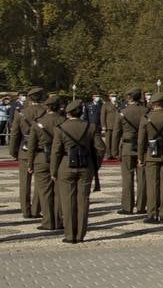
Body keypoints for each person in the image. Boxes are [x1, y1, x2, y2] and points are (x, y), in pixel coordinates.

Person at [52, 98, 104, 244]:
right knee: (83, 201)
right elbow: (100, 148)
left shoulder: (60, 128)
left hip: (66, 165)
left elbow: (56, 152)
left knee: (68, 201)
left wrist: (54, 171)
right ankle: (80, 234)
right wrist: (95, 165)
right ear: (81, 112)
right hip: (86, 166)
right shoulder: (91, 127)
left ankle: (69, 234)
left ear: (67, 113)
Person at [9, 86, 46, 219]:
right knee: (40, 182)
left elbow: (15, 134)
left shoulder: (21, 113)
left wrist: (13, 151)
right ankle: (36, 209)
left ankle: (26, 210)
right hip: (41, 151)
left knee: (24, 182)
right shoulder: (46, 112)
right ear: (41, 98)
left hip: (24, 150)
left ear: (29, 99)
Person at [138, 92, 163, 224]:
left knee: (152, 185)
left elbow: (141, 140)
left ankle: (152, 213)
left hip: (151, 152)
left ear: (152, 104)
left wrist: (141, 157)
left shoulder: (146, 118)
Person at [31, 94, 63, 230]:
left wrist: (29, 163)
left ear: (47, 107)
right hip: (60, 158)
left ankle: (48, 221)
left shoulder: (39, 122)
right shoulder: (63, 121)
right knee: (58, 191)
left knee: (45, 192)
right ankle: (58, 220)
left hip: (41, 157)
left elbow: (31, 145)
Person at [113, 89, 147, 215]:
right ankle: (141, 205)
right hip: (143, 147)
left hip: (127, 146)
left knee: (127, 177)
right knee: (142, 177)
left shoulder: (123, 112)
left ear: (130, 98)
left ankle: (127, 206)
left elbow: (117, 132)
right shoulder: (146, 111)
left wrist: (114, 150)